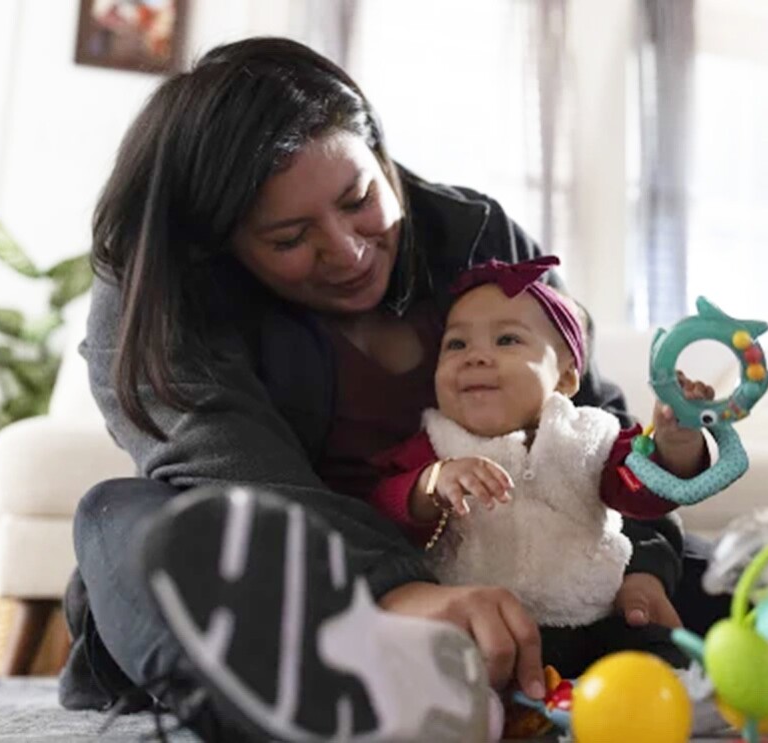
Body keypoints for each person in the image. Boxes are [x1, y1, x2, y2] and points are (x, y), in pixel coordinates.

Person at [59, 37, 689, 742]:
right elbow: (232, 473)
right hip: (309, 600)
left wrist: (646, 566)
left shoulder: (474, 234)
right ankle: (315, 704)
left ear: (381, 156)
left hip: (527, 588)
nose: (350, 251)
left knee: (756, 565)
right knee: (118, 517)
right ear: (223, 245)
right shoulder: (167, 287)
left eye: (359, 199)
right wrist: (393, 591)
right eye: (292, 237)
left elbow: (589, 423)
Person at [370, 255, 714, 676]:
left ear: (567, 378)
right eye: (456, 344)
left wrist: (674, 442)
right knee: (442, 673)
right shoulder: (437, 443)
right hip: (490, 628)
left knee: (661, 657)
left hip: (596, 617)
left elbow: (643, 493)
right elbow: (383, 506)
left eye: (507, 340)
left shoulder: (589, 435)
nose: (476, 357)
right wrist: (431, 484)